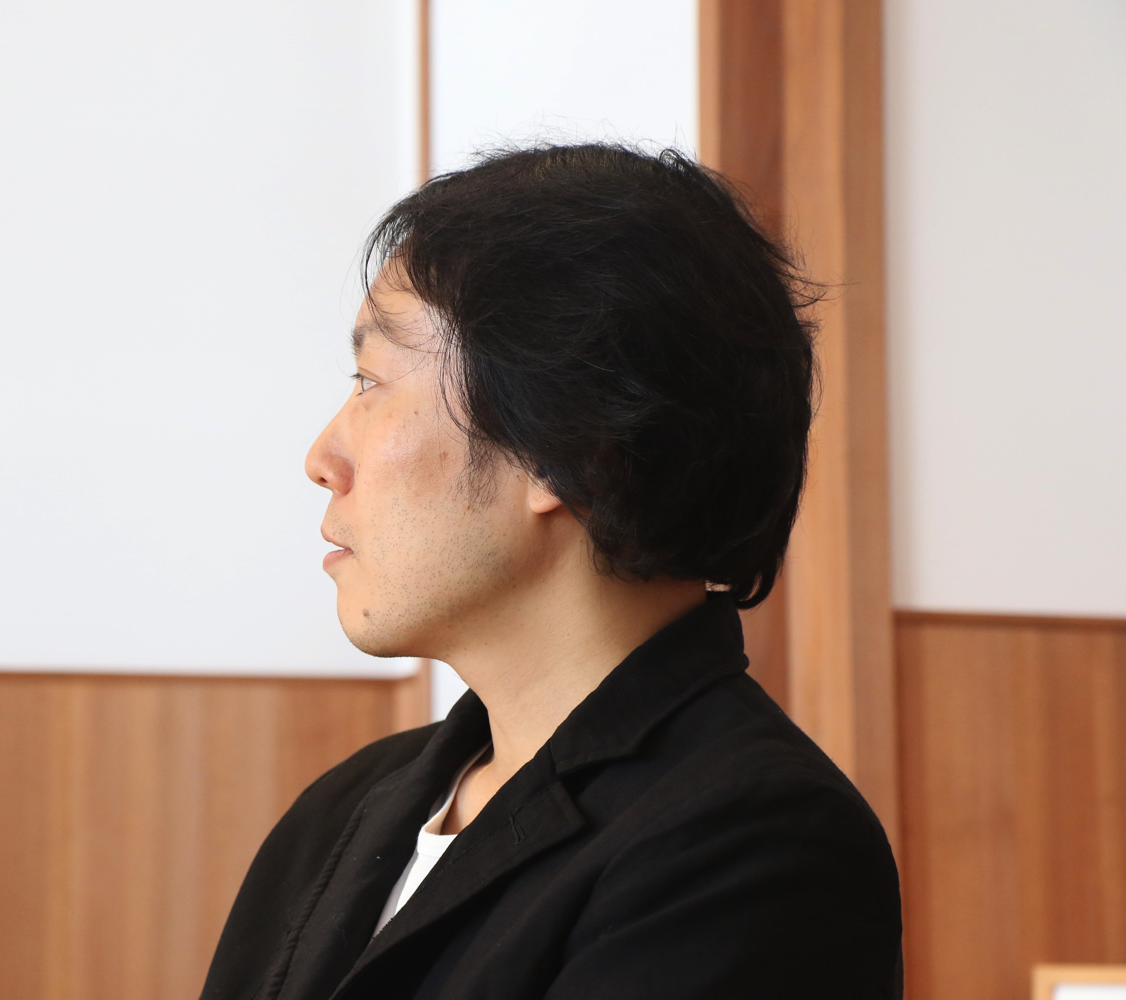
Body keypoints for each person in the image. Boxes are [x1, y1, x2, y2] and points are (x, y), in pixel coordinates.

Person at [199, 143, 902, 1000]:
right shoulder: (345, 808)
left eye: (371, 381)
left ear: (564, 450)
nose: (322, 458)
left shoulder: (754, 844)